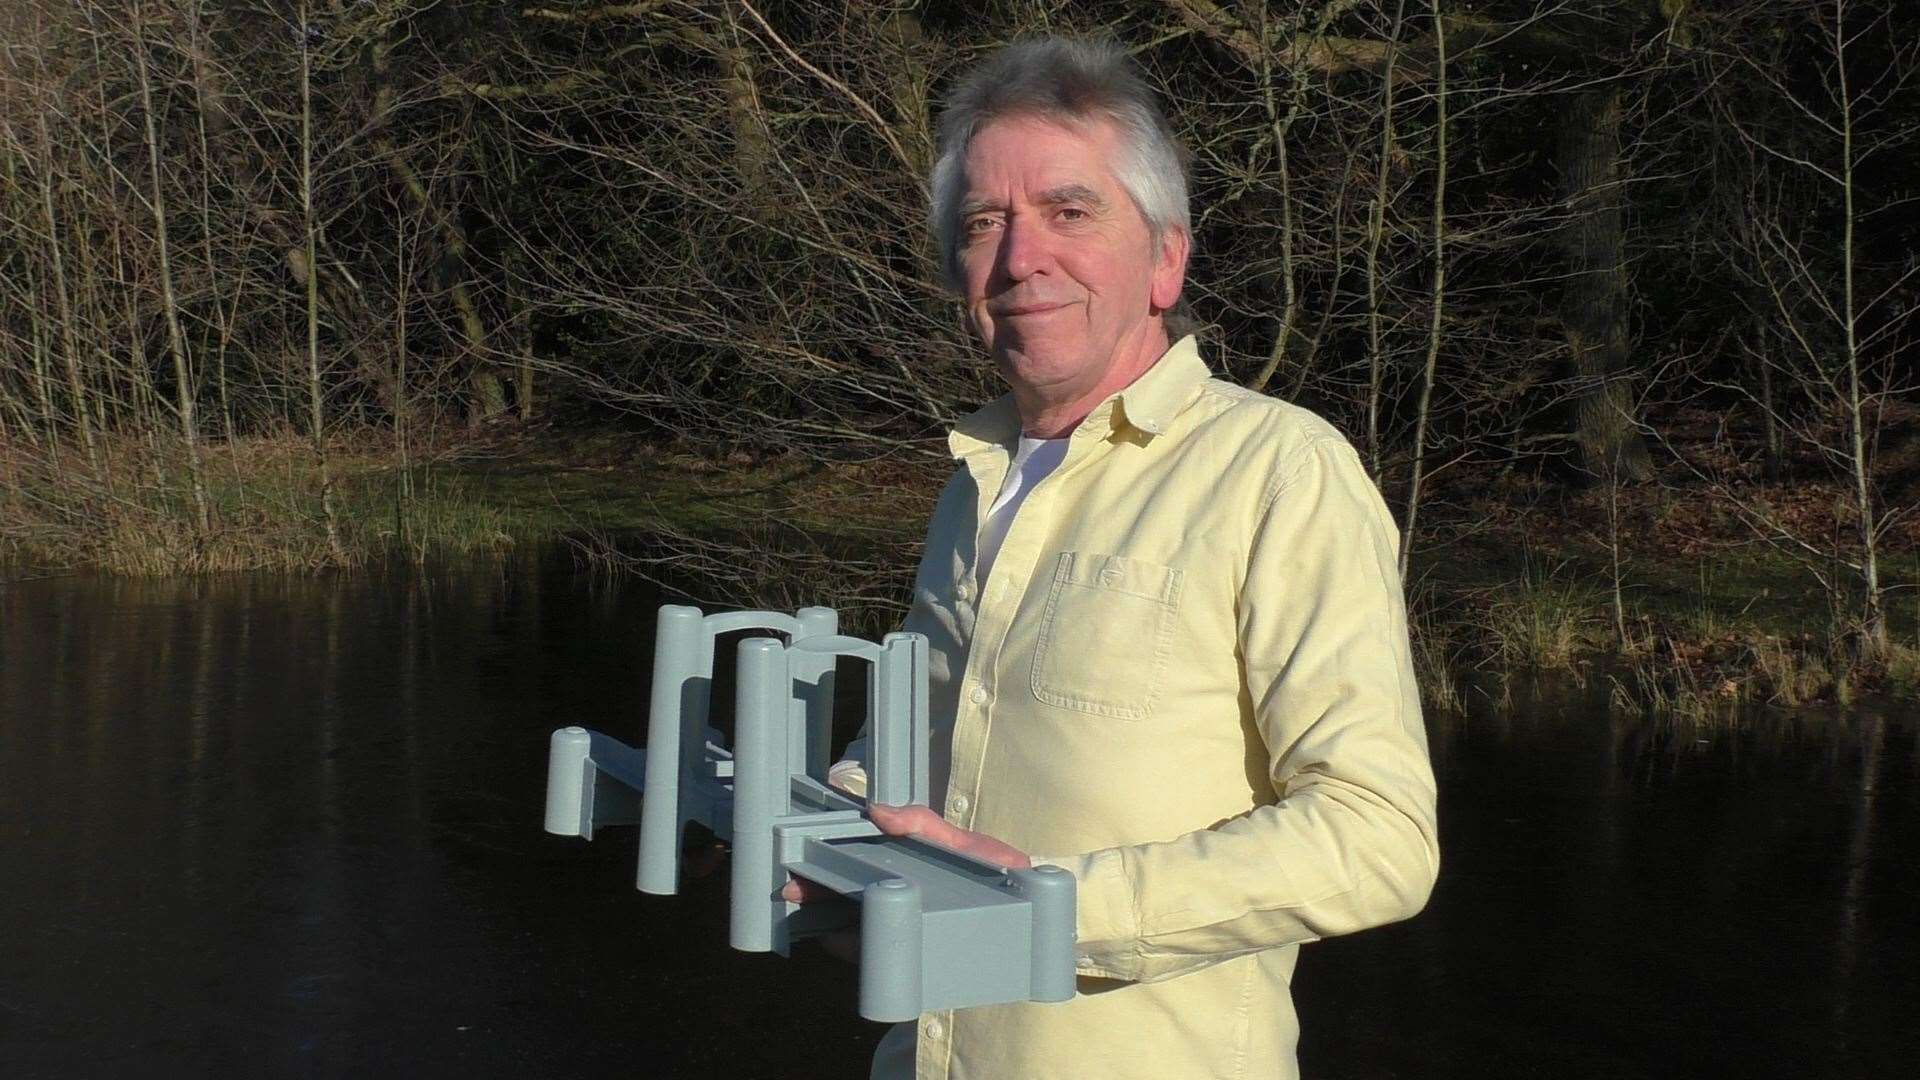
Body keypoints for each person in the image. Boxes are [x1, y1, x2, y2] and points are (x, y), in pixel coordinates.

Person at [795, 36, 1440, 1080]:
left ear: (1166, 259)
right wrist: (819, 839)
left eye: (1070, 211)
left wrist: (1058, 910)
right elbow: (917, 766)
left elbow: (1379, 837)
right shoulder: (976, 479)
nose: (1021, 258)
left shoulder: (1281, 473)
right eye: (984, 224)